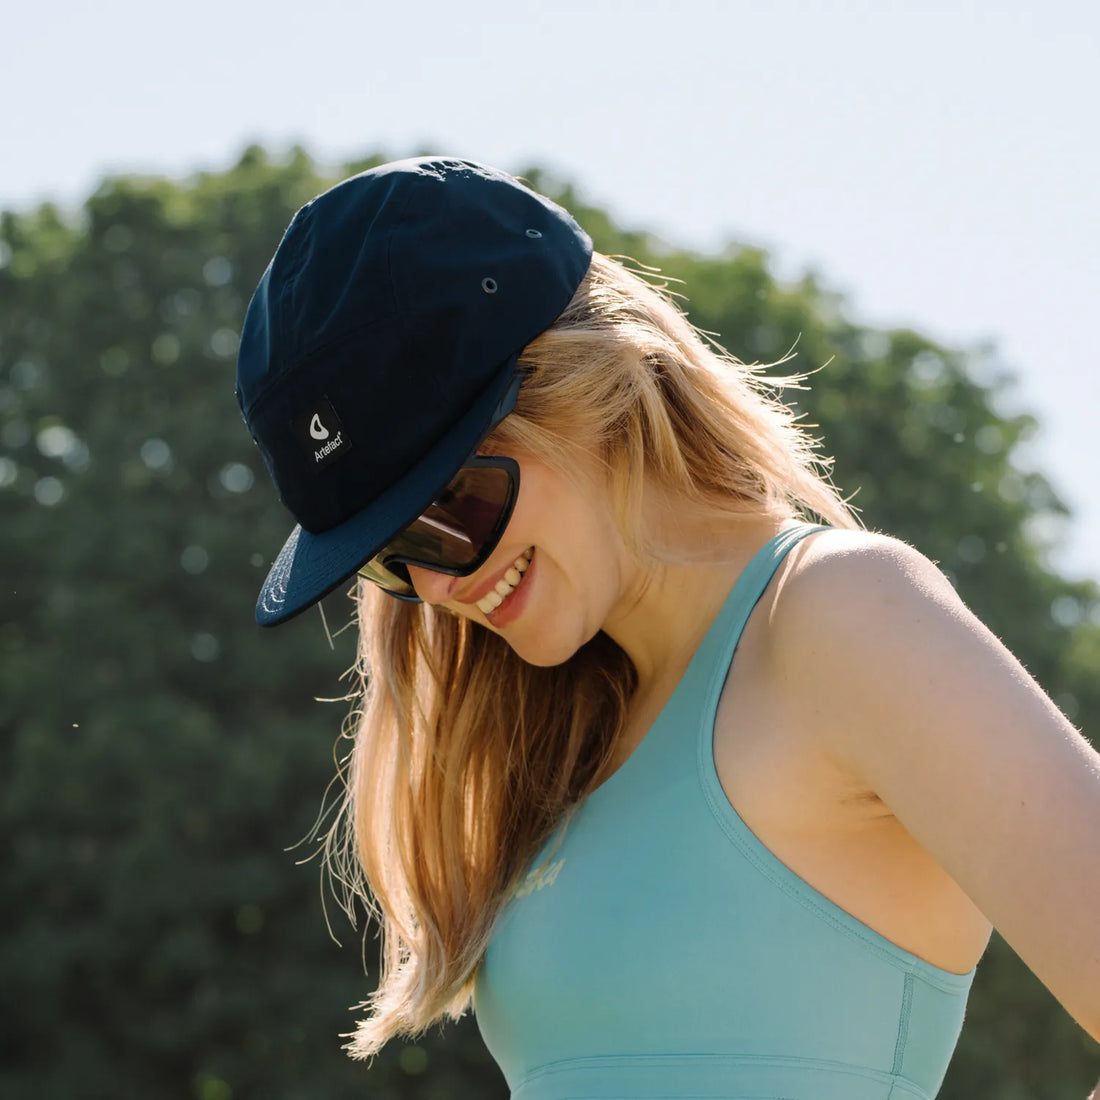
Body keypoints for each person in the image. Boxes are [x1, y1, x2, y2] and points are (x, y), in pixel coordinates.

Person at [234, 157, 1100, 1099]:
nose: (440, 586)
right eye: (392, 556)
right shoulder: (565, 733)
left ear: (584, 384)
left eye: (453, 510)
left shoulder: (843, 617)